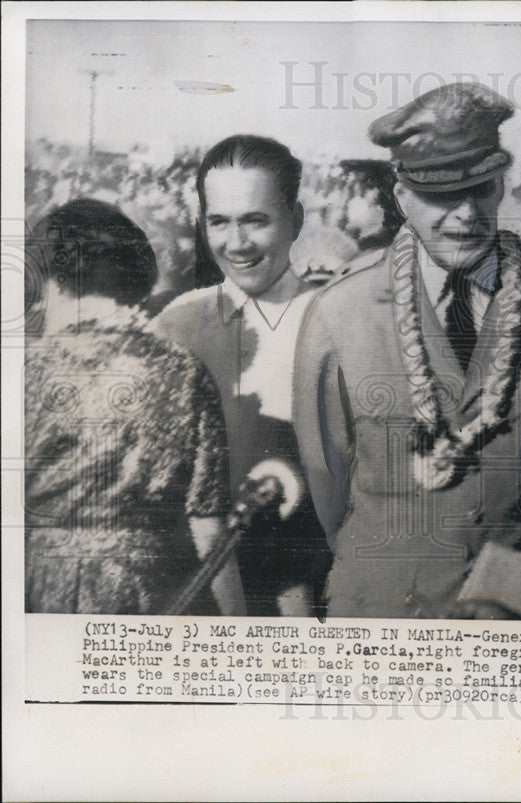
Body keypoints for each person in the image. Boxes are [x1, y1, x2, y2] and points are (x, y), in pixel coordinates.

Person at [293, 83, 521, 618]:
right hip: (382, 618)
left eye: (481, 190)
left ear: (502, 187)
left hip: (513, 617)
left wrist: (515, 585)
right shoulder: (339, 310)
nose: (464, 214)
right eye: (439, 195)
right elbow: (328, 483)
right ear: (402, 197)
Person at [25, 199, 245, 615]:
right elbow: (208, 523)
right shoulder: (184, 371)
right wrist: (240, 628)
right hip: (154, 592)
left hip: (42, 588)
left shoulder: (26, 370)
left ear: (53, 282)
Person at [154, 135, 333, 616]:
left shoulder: (341, 316)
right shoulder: (178, 321)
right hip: (211, 591)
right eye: (219, 222)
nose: (237, 244)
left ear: (294, 221)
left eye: (255, 220)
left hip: (322, 584)